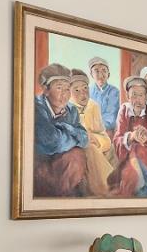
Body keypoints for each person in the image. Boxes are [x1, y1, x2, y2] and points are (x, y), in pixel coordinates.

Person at [33, 63, 87, 196]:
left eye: (67, 89)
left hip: (63, 165)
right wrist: (74, 137)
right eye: (59, 88)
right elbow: (52, 142)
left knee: (76, 156)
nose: (65, 94)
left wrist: (66, 128)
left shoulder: (71, 110)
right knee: (74, 155)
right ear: (46, 90)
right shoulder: (37, 107)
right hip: (40, 163)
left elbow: (85, 138)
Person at [70, 68, 116, 196]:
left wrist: (98, 141)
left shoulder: (93, 106)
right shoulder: (68, 108)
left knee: (109, 149)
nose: (83, 94)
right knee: (89, 150)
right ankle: (104, 188)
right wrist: (85, 137)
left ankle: (111, 185)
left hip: (95, 147)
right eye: (77, 90)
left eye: (85, 88)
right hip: (77, 147)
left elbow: (103, 136)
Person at [112, 76, 147, 197]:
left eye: (141, 95)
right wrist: (132, 136)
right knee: (130, 178)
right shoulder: (124, 111)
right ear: (128, 97)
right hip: (129, 157)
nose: (137, 100)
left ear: (146, 97)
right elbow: (117, 138)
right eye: (134, 95)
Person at [87, 56, 119, 134]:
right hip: (88, 130)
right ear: (91, 74)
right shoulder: (87, 91)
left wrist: (95, 127)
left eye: (104, 71)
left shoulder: (114, 91)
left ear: (108, 74)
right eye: (96, 71)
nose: (100, 75)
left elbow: (111, 117)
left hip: (107, 131)